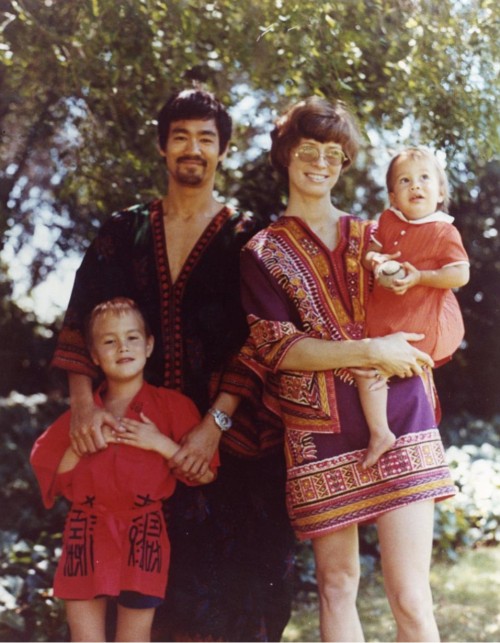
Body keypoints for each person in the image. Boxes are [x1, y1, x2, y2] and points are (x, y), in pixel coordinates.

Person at [50, 87, 294, 642]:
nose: (193, 149)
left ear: (222, 151)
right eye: (180, 137)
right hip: (134, 442)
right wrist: (84, 407)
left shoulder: (247, 238)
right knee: (141, 598)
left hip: (226, 448)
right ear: (162, 148)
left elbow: (260, 341)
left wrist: (214, 426)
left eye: (205, 139)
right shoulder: (123, 231)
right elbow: (79, 318)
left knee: (236, 593)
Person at [239, 96, 456, 642]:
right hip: (318, 433)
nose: (321, 162)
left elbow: (436, 298)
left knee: (410, 595)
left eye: (334, 154)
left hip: (402, 413)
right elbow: (278, 348)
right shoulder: (261, 251)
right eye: (309, 149)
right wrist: (371, 352)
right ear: (285, 155)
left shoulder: (376, 236)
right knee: (338, 585)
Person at [31, 298, 218, 642]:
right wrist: (82, 438)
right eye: (109, 341)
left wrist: (159, 442)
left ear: (148, 346)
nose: (122, 347)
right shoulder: (83, 416)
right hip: (85, 530)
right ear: (93, 355)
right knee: (86, 638)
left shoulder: (173, 407)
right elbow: (52, 475)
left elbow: (204, 474)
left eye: (132, 338)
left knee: (134, 637)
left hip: (142, 533)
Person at [355, 146, 470, 468]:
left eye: (423, 178)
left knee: (376, 368)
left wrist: (420, 276)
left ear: (440, 192)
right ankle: (381, 432)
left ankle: (388, 431)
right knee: (367, 366)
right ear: (393, 196)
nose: (415, 186)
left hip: (420, 321)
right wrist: (376, 262)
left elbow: (460, 272)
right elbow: (370, 252)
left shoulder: (443, 230)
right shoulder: (389, 220)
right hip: (386, 319)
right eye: (404, 181)